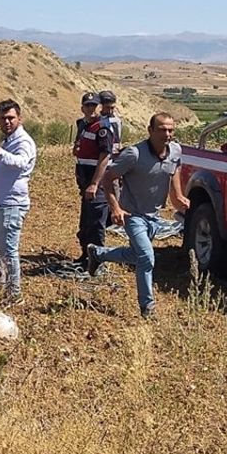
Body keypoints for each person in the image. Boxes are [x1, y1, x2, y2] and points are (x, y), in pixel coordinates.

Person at [86, 113, 190, 317]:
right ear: (150, 131)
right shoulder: (134, 154)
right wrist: (115, 207)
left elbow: (174, 169)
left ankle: (97, 254)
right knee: (146, 257)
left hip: (154, 215)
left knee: (136, 255)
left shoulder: (175, 150)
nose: (167, 134)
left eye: (170, 130)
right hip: (132, 215)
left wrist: (177, 195)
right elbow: (109, 178)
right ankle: (147, 307)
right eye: (161, 129)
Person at [0, 99, 36, 304]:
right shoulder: (9, 140)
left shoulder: (23, 141)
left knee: (8, 250)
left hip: (12, 203)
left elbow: (21, 163)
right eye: (2, 118)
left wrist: (1, 153)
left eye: (10, 118)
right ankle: (0, 284)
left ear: (19, 118)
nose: (6, 122)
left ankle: (14, 294)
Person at [74, 91, 115, 266]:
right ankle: (86, 256)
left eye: (94, 105)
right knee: (86, 222)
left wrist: (94, 184)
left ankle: (97, 261)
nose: (91, 109)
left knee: (96, 222)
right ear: (82, 107)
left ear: (99, 107)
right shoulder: (84, 125)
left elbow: (104, 158)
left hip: (95, 183)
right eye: (87, 105)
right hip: (85, 181)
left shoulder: (102, 128)